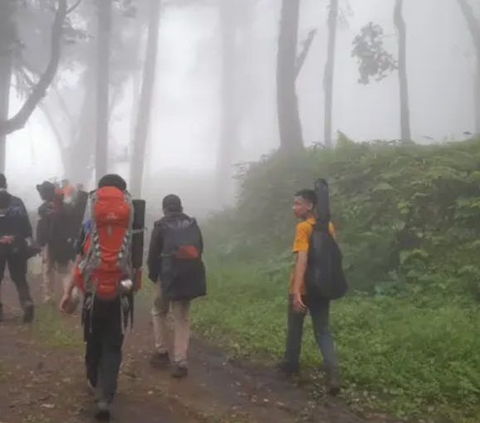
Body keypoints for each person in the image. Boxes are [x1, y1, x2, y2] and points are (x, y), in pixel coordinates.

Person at [60, 174, 139, 421]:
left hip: (94, 285)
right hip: (122, 284)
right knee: (113, 342)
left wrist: (68, 291)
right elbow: (135, 252)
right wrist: (132, 284)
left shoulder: (92, 205)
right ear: (122, 189)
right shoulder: (131, 206)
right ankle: (106, 396)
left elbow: (81, 256)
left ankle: (95, 382)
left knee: (93, 336)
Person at [278, 189, 340, 395]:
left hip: (304, 288)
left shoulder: (303, 228)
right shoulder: (328, 226)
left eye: (297, 204)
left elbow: (302, 259)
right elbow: (333, 257)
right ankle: (333, 373)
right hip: (322, 288)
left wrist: (296, 292)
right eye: (293, 203)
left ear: (310, 206)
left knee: (295, 327)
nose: (294, 208)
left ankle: (290, 365)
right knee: (322, 331)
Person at [148, 194, 206, 378]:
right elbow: (200, 249)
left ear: (164, 208)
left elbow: (153, 255)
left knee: (158, 312)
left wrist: (154, 275)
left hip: (167, 277)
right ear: (181, 207)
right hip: (188, 276)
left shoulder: (160, 225)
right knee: (182, 319)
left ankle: (161, 352)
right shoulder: (192, 224)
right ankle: (181, 362)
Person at [0, 174, 35, 323]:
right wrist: (16, 237)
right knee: (19, 277)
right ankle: (26, 302)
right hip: (17, 246)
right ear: (6, 184)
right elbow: (26, 226)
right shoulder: (17, 202)